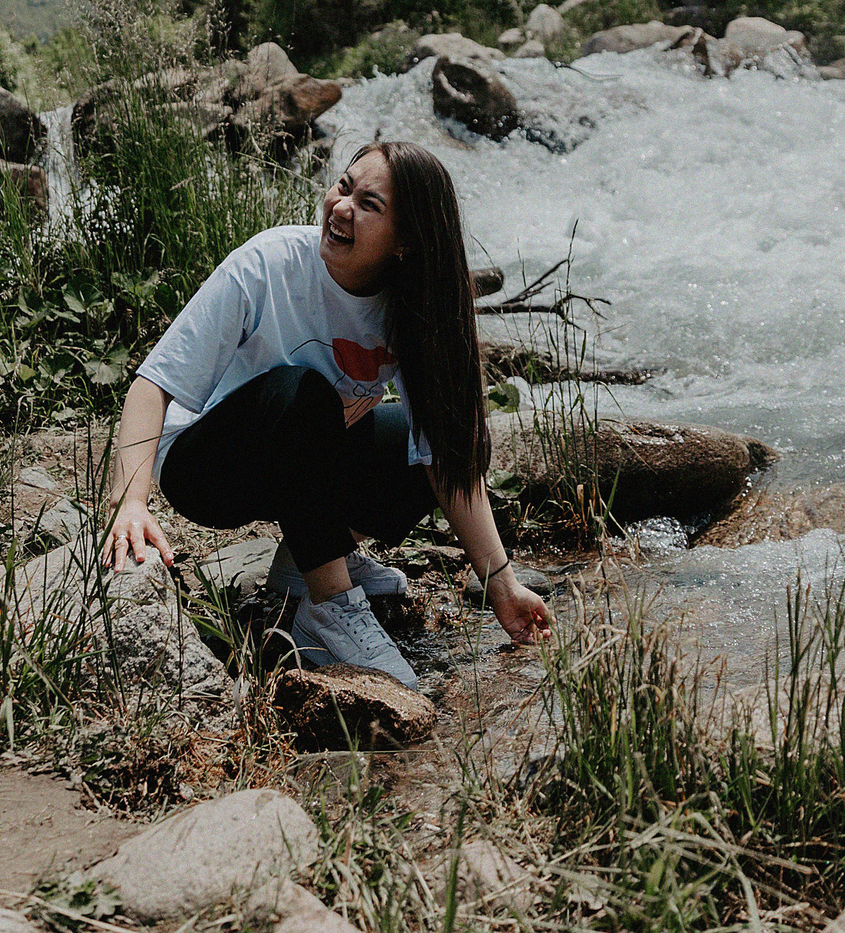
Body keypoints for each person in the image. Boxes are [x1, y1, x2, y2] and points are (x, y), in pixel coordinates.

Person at [102, 140, 551, 686]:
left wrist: (502, 584)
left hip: (304, 458)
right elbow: (152, 384)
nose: (341, 207)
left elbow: (445, 456)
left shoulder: (412, 305)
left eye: (369, 204)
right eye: (344, 187)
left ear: (406, 242)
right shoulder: (269, 262)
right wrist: (130, 502)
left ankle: (306, 562)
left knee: (432, 439)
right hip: (209, 468)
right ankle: (330, 606)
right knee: (306, 396)